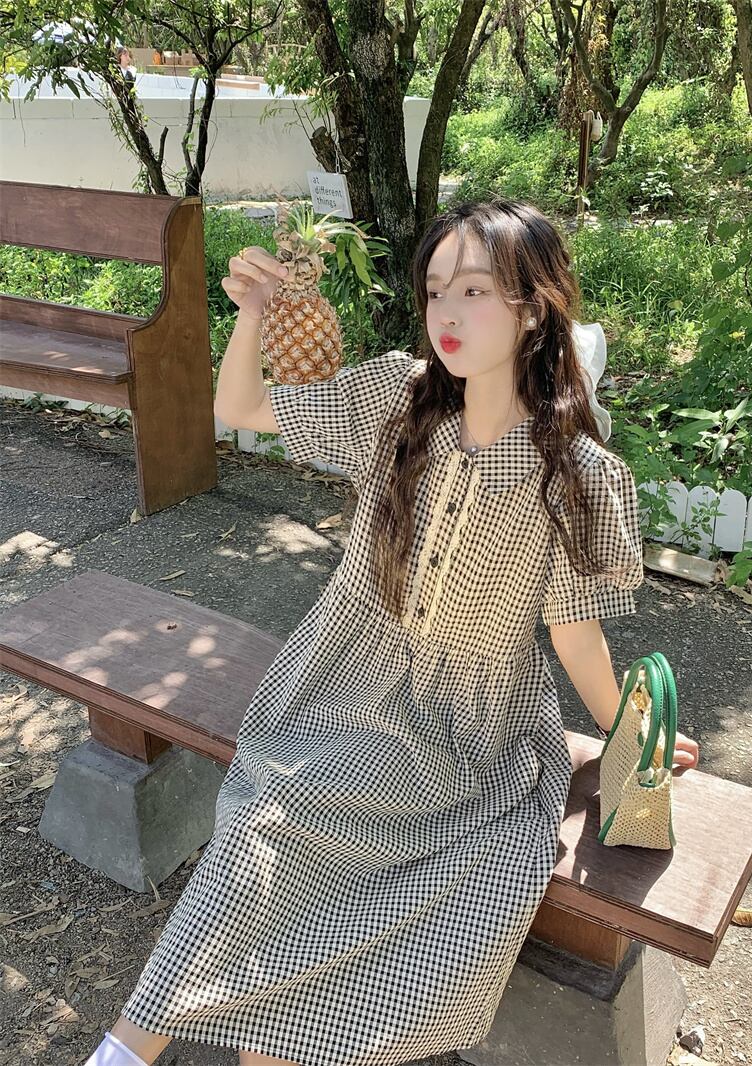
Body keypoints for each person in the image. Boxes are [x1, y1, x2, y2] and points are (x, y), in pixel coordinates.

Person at [83, 197, 700, 1066]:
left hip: (461, 731)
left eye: (475, 290)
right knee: (270, 821)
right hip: (339, 680)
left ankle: (125, 1049)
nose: (448, 311)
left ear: (534, 308)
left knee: (299, 835)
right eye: (436, 289)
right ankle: (129, 1047)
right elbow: (242, 405)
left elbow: (576, 638)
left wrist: (629, 736)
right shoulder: (395, 397)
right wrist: (250, 314)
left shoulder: (577, 474)